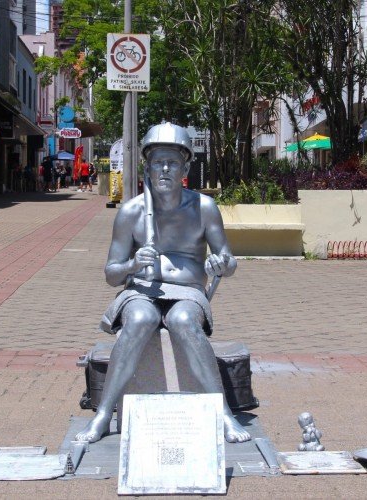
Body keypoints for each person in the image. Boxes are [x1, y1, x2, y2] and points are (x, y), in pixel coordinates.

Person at [75, 122, 251, 444]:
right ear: (147, 166)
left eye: (172, 162)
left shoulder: (203, 208)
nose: (165, 169)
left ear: (185, 166)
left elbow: (230, 260)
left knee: (183, 320)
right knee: (141, 318)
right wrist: (132, 264)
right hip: (141, 289)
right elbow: (111, 273)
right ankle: (103, 413)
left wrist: (220, 263)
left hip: (188, 291)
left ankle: (223, 412)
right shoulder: (131, 212)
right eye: (158, 162)